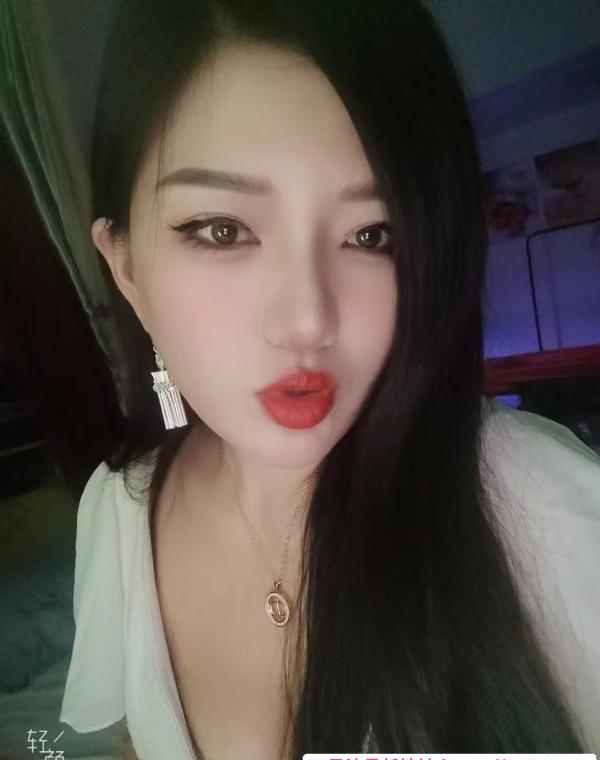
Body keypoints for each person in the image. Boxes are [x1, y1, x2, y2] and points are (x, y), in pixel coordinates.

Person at [59, 0, 600, 757]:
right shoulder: (119, 512)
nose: (309, 319)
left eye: (372, 235)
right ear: (126, 269)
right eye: (223, 230)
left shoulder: (548, 510)